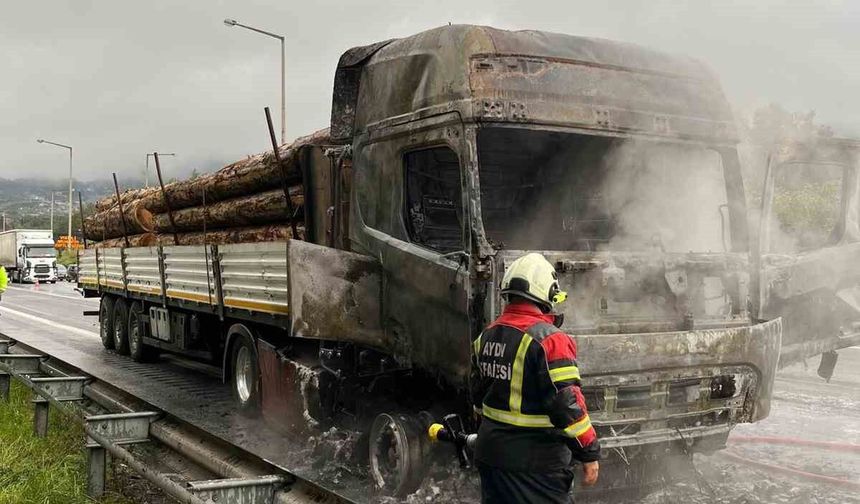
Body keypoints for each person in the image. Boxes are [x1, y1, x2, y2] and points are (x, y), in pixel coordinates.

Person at [470, 252, 600, 503]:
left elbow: (477, 397)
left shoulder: (485, 336)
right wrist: (589, 452)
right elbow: (566, 405)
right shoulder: (550, 340)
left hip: (491, 456)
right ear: (546, 294)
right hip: (535, 466)